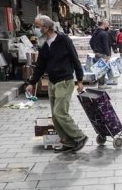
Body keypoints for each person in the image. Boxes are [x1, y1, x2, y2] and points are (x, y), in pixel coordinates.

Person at [25, 15, 88, 152]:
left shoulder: (63, 40)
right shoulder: (42, 43)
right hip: (52, 82)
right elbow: (40, 65)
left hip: (64, 81)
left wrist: (80, 80)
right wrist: (32, 82)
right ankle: (68, 142)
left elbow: (75, 59)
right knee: (55, 115)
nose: (35, 29)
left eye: (37, 26)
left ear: (46, 27)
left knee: (60, 112)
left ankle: (79, 136)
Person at [91, 20, 112, 89]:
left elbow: (91, 42)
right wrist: (108, 54)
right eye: (108, 24)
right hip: (102, 53)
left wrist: (94, 50)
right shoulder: (104, 33)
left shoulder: (95, 32)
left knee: (99, 69)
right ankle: (101, 84)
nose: (108, 26)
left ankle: (101, 83)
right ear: (104, 24)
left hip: (97, 53)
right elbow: (105, 45)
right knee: (102, 70)